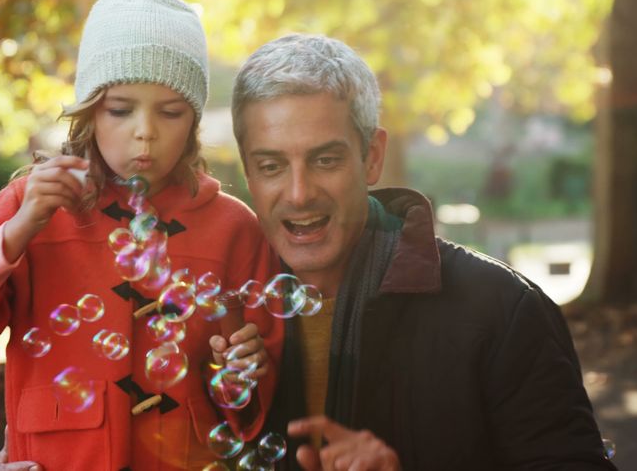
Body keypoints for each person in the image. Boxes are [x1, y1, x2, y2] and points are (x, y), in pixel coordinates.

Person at [0, 0, 281, 471]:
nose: (144, 131)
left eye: (171, 111)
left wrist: (244, 372)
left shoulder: (233, 226)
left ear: (192, 121)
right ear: (87, 112)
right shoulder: (34, 205)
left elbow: (254, 400)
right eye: (120, 109)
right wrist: (17, 232)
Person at [231, 34, 617, 470]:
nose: (299, 194)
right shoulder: (226, 316)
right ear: (248, 172)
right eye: (271, 166)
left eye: (325, 160)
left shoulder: (502, 311)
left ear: (372, 156)